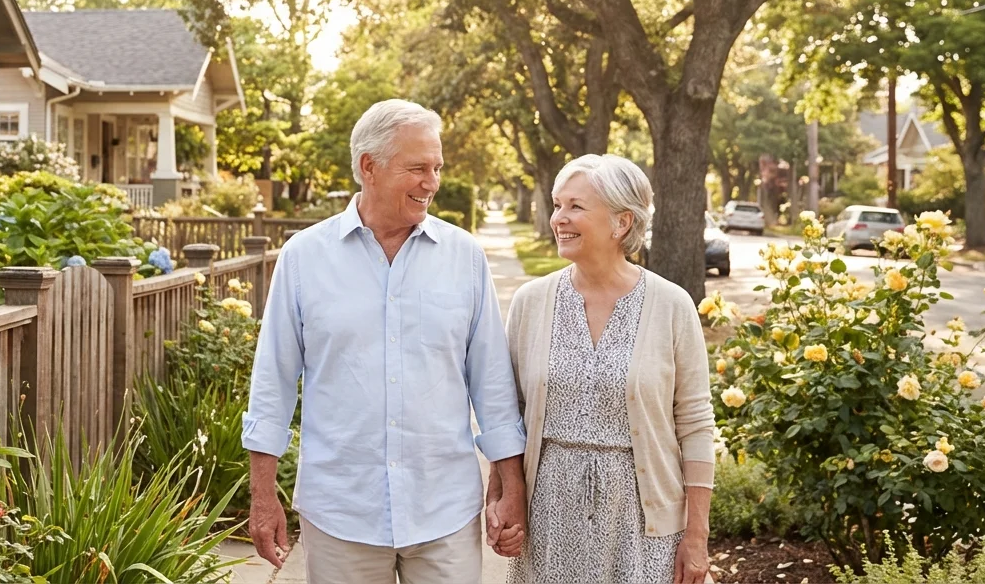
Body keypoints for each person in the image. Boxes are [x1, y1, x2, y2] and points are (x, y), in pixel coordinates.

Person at [244, 99, 528, 583]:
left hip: (444, 510)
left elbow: (493, 387)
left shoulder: (465, 258)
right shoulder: (304, 258)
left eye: (437, 167)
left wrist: (511, 485)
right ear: (368, 167)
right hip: (341, 511)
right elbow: (271, 382)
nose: (432, 182)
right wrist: (263, 496)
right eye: (417, 168)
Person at [497, 154, 715, 584]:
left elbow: (695, 423)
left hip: (642, 523)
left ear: (621, 223)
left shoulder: (672, 305)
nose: (559, 217)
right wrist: (502, 496)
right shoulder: (531, 302)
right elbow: (509, 412)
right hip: (550, 521)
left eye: (575, 206)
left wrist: (697, 535)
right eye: (558, 204)